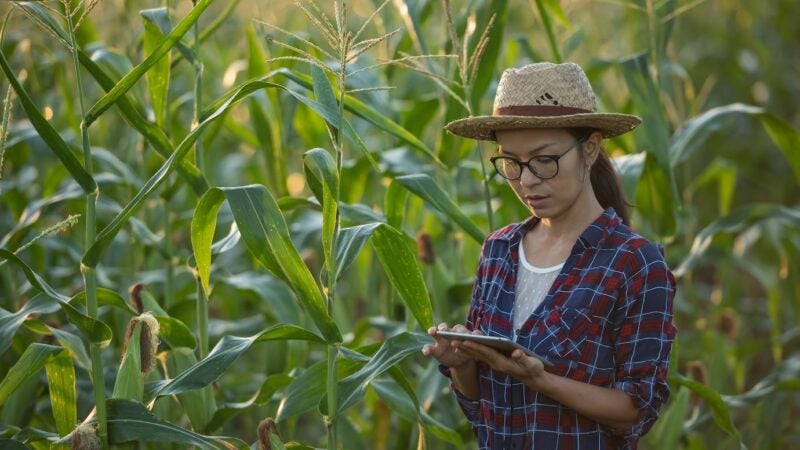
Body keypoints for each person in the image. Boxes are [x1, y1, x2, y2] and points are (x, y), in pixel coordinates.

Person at [421, 62, 676, 450]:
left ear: (589, 148)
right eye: (511, 162)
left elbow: (636, 409)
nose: (526, 180)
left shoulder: (634, 263)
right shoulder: (498, 250)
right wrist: (463, 364)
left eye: (544, 160)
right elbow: (481, 409)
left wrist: (538, 378)